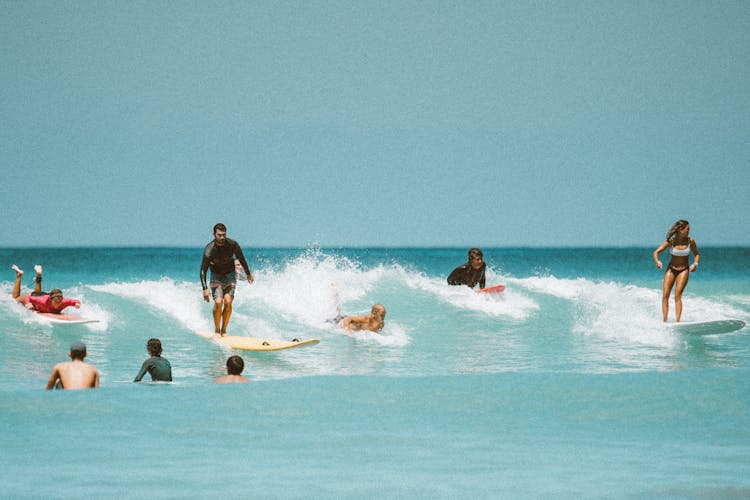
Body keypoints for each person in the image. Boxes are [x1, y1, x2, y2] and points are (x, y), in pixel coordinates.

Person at [199, 223, 254, 335]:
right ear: (214, 234)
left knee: (228, 302)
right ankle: (217, 330)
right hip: (216, 276)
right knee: (219, 302)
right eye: (219, 235)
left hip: (230, 275)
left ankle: (224, 330)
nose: (222, 237)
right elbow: (203, 270)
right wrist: (204, 288)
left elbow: (241, 259)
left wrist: (248, 274)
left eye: (224, 234)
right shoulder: (209, 249)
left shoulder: (232, 244)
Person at [652, 219, 701, 322]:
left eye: (689, 229)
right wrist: (657, 262)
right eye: (687, 229)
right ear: (680, 230)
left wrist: (695, 264)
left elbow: (696, 254)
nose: (689, 231)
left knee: (677, 295)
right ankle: (665, 321)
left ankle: (677, 322)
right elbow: (656, 252)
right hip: (671, 269)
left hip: (684, 270)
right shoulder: (672, 241)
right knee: (665, 295)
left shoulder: (690, 241)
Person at [11, 264, 81, 314]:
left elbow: (75, 301)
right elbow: (28, 297)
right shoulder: (42, 301)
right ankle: (19, 275)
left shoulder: (64, 301)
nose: (58, 304)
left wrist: (77, 304)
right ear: (51, 300)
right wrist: (28, 303)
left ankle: (39, 275)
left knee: (38, 292)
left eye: (60, 301)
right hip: (36, 296)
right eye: (56, 302)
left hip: (43, 295)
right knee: (15, 298)